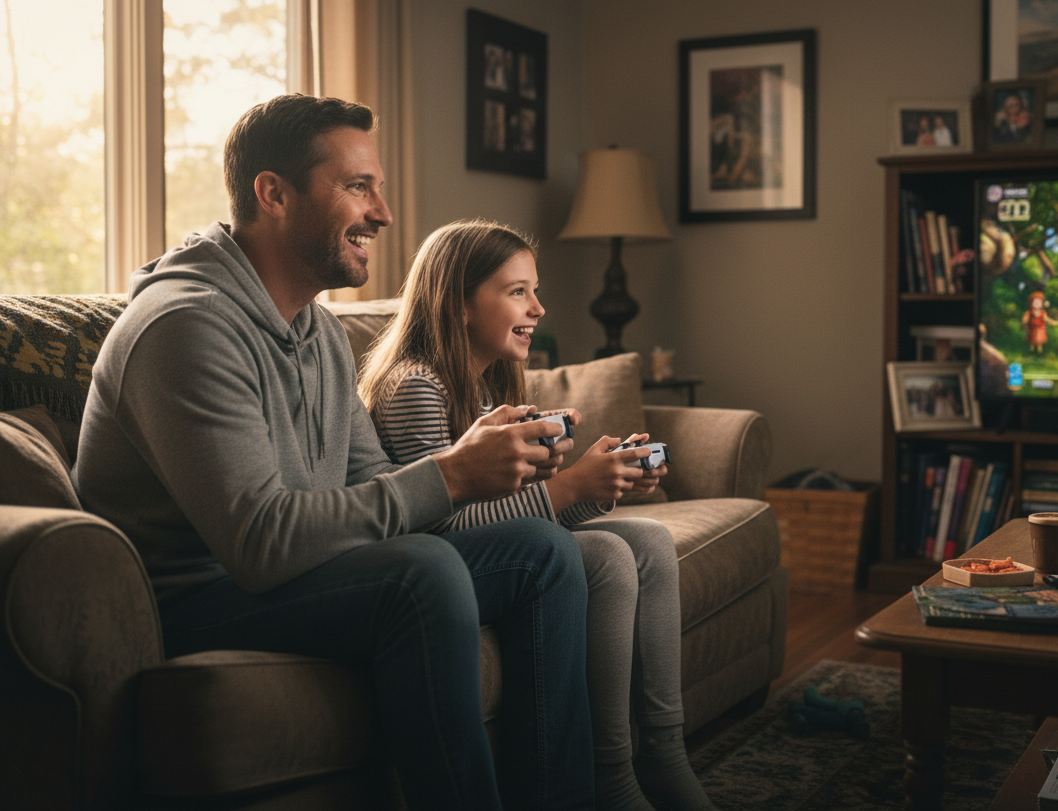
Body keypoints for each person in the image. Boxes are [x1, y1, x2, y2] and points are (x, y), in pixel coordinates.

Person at [71, 94, 594, 811]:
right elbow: (259, 542)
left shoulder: (314, 331)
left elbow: (374, 483)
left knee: (542, 552)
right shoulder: (185, 327)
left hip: (296, 573)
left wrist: (477, 468)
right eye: (358, 187)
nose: (382, 213)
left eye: (377, 188)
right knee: (423, 571)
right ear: (273, 194)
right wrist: (449, 473)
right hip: (196, 596)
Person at [358, 220, 721, 811]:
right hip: (437, 569)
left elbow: (515, 521)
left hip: (491, 553)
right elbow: (440, 526)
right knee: (604, 554)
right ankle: (611, 773)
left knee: (649, 541)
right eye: (518, 291)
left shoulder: (476, 389)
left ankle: (660, 750)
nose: (539, 306)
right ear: (459, 305)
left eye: (535, 290)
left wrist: (600, 484)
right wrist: (570, 485)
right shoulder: (416, 386)